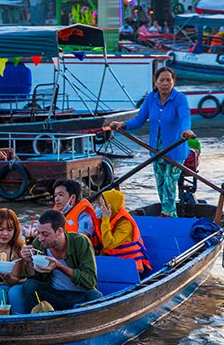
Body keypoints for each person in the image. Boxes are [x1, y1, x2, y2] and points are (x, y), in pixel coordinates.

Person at [109, 66, 194, 217]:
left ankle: (168, 215)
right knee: (161, 184)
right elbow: (139, 120)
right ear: (155, 82)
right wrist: (123, 125)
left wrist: (186, 130)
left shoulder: (180, 99)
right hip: (156, 150)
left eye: (168, 80)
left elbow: (185, 118)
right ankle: (167, 212)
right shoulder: (151, 99)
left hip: (175, 152)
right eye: (162, 80)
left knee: (169, 183)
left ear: (173, 82)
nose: (165, 83)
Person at [19, 210, 103, 311]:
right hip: (53, 295)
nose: (40, 238)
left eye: (45, 234)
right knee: (29, 285)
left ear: (59, 231)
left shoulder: (80, 242)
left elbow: (90, 281)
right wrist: (28, 262)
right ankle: (34, 323)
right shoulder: (39, 244)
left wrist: (59, 266)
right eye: (39, 233)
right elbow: (34, 278)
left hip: (80, 296)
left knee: (95, 296)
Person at [96, 189, 152, 274]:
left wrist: (105, 218)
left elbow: (108, 244)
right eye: (99, 205)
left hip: (130, 267)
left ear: (111, 206)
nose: (99, 208)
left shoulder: (125, 224)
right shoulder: (109, 219)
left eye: (102, 205)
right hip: (114, 262)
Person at [52, 178, 99, 249]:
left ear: (73, 198)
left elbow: (81, 239)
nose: (56, 199)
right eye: (55, 195)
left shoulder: (84, 217)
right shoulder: (56, 213)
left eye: (60, 195)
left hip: (80, 255)